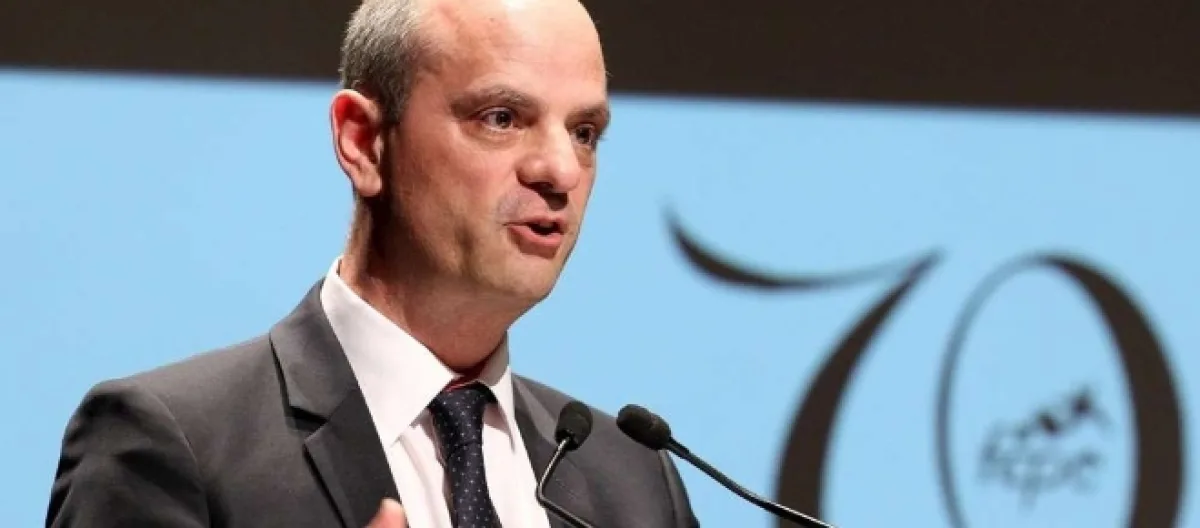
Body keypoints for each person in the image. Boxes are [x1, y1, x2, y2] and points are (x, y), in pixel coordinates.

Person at [44, 0, 700, 526]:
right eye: (501, 118)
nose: (560, 171)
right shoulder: (171, 443)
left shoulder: (635, 483)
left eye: (584, 133)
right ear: (361, 142)